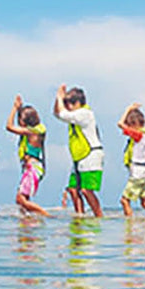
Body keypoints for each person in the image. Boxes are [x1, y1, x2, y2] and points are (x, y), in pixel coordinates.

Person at [55, 84, 105, 217]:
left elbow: (62, 114)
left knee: (86, 190)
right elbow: (57, 114)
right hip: (79, 157)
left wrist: (60, 98)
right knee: (73, 189)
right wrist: (58, 99)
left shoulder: (84, 113)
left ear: (78, 103)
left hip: (90, 155)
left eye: (69, 103)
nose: (66, 106)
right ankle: (80, 216)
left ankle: (98, 216)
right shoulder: (74, 114)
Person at [5, 95, 51, 217]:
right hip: (33, 168)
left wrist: (14, 108)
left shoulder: (31, 132)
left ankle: (47, 216)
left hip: (33, 168)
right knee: (24, 201)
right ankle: (27, 227)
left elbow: (9, 127)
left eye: (20, 119)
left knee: (20, 199)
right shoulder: (34, 130)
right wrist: (20, 109)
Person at [117, 103, 145, 218]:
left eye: (131, 125)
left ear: (135, 124)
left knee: (124, 201)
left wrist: (128, 109)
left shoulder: (138, 135)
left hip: (138, 173)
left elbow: (120, 124)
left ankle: (129, 227)